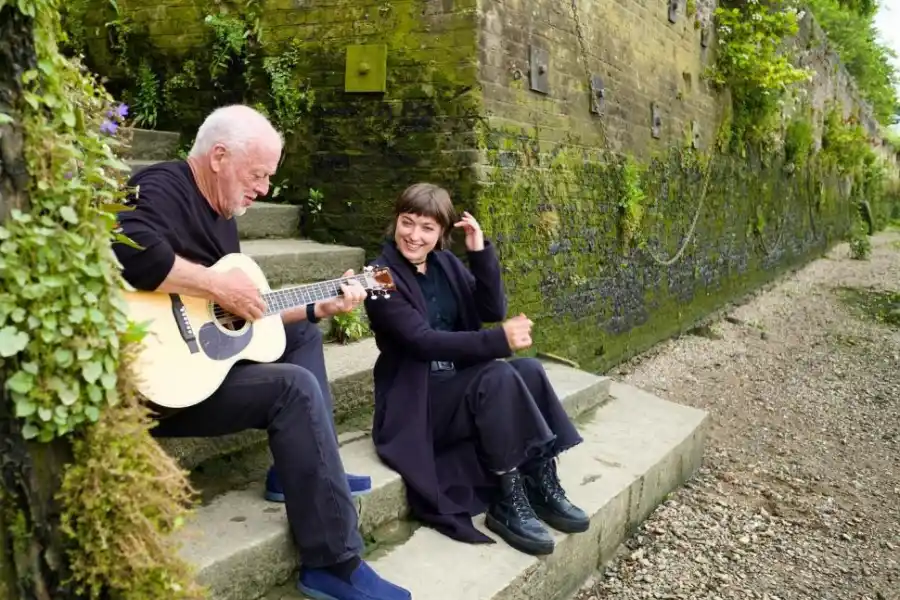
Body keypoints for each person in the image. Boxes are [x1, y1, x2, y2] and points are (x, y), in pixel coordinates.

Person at [112, 104, 410, 600]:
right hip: (158, 383)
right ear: (219, 156)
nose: (266, 188)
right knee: (292, 389)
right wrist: (214, 283)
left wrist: (320, 306)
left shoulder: (223, 215)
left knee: (303, 336)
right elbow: (126, 247)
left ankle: (298, 467)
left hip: (197, 366)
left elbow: (242, 315)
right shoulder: (161, 186)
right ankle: (333, 564)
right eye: (259, 174)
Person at [362, 182, 590, 557]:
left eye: (427, 228)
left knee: (529, 369)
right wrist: (498, 341)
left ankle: (542, 479)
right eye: (407, 223)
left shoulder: (447, 264)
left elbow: (491, 310)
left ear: (441, 234)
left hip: (458, 386)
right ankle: (508, 497)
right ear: (396, 222)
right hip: (417, 401)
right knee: (496, 374)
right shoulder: (378, 275)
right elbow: (421, 340)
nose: (414, 236)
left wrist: (480, 253)